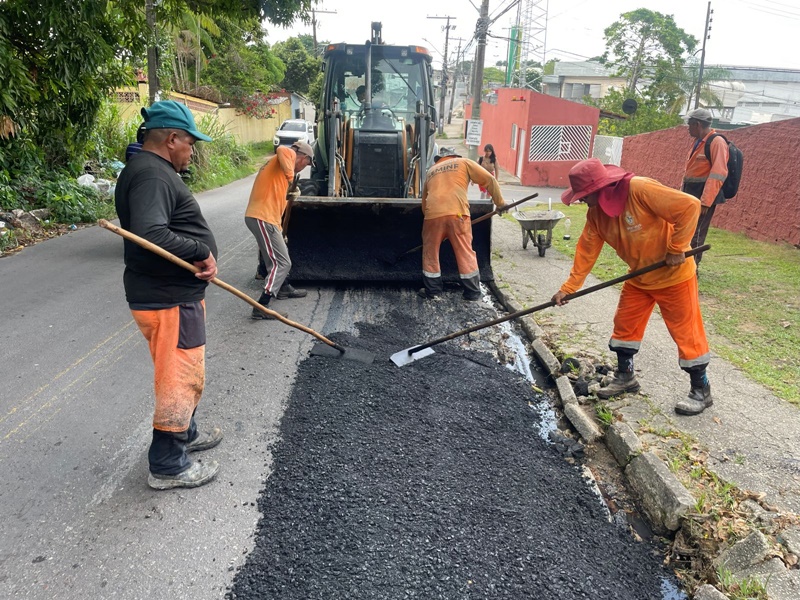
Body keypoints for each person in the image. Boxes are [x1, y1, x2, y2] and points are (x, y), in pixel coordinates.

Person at [114, 100, 222, 490]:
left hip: (172, 294)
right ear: (172, 138)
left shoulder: (149, 170)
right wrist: (202, 252)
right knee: (180, 378)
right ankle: (167, 464)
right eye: (190, 143)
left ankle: (187, 433)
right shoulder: (153, 176)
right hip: (168, 298)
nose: (192, 151)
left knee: (183, 371)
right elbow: (150, 234)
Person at [551, 158, 713, 416]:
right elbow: (586, 252)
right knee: (624, 326)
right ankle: (626, 378)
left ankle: (701, 391)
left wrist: (676, 248)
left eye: (583, 195)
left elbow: (690, 206)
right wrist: (569, 288)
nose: (581, 201)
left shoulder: (640, 190)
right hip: (639, 277)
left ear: (599, 189)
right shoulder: (595, 215)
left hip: (675, 277)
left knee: (686, 333)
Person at [419, 149, 507, 301]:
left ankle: (433, 291)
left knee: (430, 253)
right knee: (464, 251)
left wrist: (434, 223)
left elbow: (424, 202)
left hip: (432, 216)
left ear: (439, 159)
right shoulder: (463, 162)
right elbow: (490, 180)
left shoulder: (431, 171)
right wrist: (500, 203)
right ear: (454, 156)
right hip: (458, 214)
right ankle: (472, 292)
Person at [245, 140, 313, 319]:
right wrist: (292, 180)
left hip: (267, 219)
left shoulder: (280, 171)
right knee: (283, 263)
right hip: (262, 217)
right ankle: (262, 307)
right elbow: (283, 149)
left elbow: (276, 201)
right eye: (307, 163)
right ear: (302, 157)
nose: (304, 167)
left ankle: (283, 287)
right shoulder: (288, 156)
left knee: (273, 261)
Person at [683, 108, 729, 269]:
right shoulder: (698, 142)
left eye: (689, 124)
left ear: (697, 124)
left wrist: (706, 201)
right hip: (691, 194)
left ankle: (692, 268)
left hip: (703, 197)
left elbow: (718, 173)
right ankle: (685, 265)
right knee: (686, 231)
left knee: (697, 233)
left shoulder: (717, 142)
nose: (688, 128)